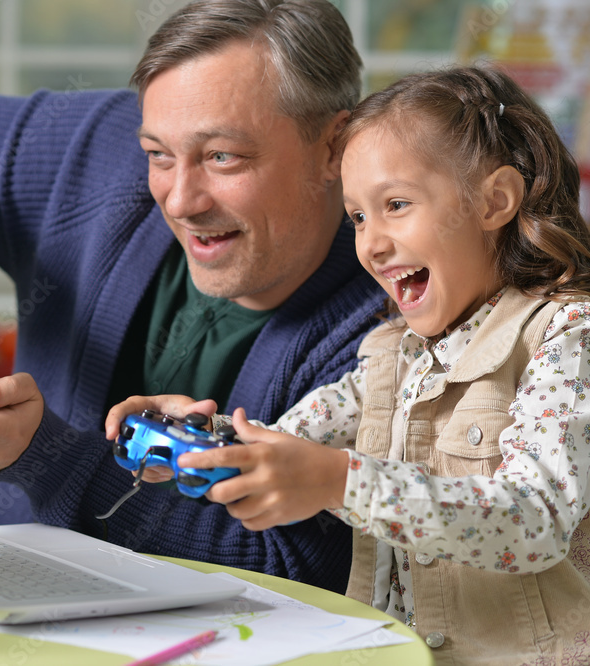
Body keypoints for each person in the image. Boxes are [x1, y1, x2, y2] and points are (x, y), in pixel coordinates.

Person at [0, 0, 386, 593]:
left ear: (334, 149)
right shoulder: (97, 155)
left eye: (223, 156)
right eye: (158, 155)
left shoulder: (396, 321)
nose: (179, 200)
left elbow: (299, 571)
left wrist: (42, 456)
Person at [107, 65, 590, 663]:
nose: (371, 243)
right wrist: (202, 440)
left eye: (396, 204)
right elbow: (286, 444)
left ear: (494, 201)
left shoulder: (567, 338)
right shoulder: (393, 356)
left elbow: (534, 520)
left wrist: (339, 480)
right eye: (358, 217)